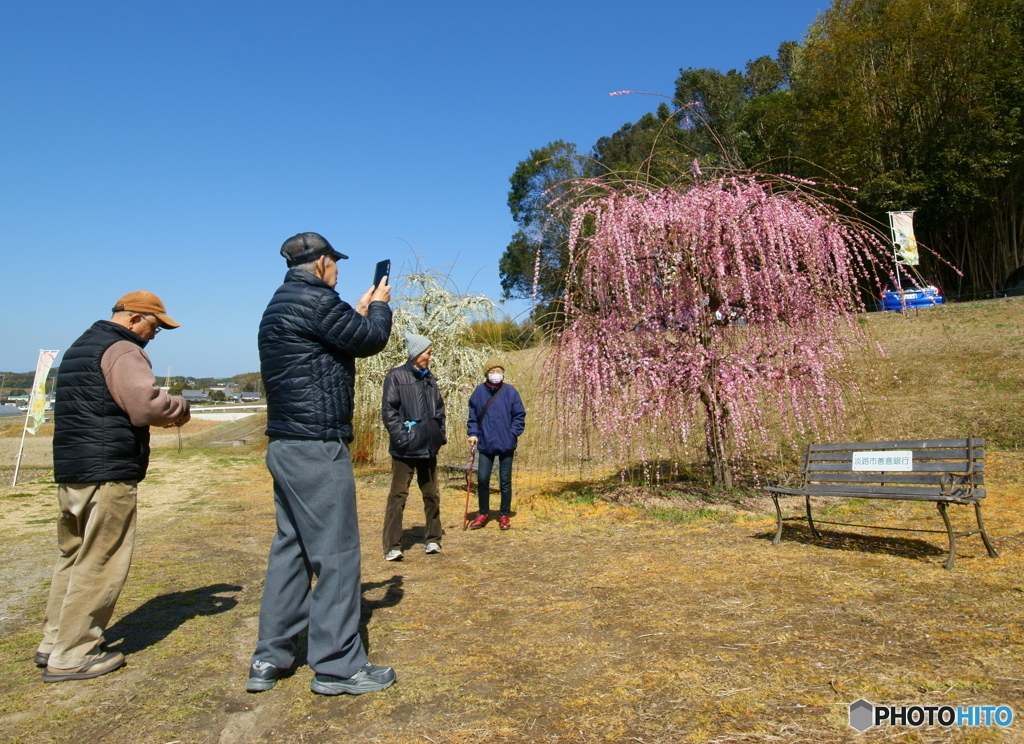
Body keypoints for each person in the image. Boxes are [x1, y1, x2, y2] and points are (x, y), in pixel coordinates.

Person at [247, 232, 395, 697]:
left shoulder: (281, 303)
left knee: (291, 549)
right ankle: (337, 665)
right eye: (335, 264)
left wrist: (356, 308)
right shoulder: (315, 300)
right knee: (336, 552)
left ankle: (270, 657)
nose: (337, 271)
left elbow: (334, 337)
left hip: (285, 445)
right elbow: (370, 339)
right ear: (321, 263)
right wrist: (381, 305)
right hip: (317, 444)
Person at [38, 291, 191, 682]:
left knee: (72, 556)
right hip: (107, 472)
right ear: (134, 318)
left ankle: (54, 641)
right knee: (101, 561)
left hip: (73, 470)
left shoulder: (81, 346)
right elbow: (145, 406)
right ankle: (73, 655)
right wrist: (180, 406)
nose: (154, 335)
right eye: (154, 326)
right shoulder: (123, 349)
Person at [381, 333, 447, 561]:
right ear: (417, 353)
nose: (430, 357)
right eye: (428, 352)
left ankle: (433, 539)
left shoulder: (430, 379)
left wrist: (439, 435)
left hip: (428, 448)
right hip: (405, 450)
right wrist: (403, 439)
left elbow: (439, 410)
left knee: (431, 494)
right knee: (398, 496)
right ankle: (392, 546)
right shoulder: (396, 376)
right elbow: (389, 412)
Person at [467, 357, 526, 530]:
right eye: (492, 372)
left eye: (498, 371)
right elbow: (473, 416)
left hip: (506, 443)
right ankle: (483, 512)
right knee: (483, 478)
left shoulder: (510, 392)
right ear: (486, 374)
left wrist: (513, 433)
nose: (495, 375)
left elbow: (519, 415)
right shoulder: (479, 392)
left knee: (505, 481)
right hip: (485, 442)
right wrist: (472, 433)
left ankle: (504, 514)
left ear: (503, 373)